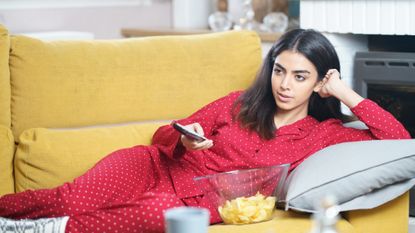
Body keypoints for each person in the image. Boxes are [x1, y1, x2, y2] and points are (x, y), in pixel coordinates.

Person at [0, 29, 410, 233]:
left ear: (319, 82)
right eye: (280, 71)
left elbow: (399, 143)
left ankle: (46, 230)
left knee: (154, 213)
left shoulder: (325, 133)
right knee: (67, 195)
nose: (285, 85)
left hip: (204, 202)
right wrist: (183, 137)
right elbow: (164, 133)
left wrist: (346, 92)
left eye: (300, 76)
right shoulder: (239, 102)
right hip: (155, 166)